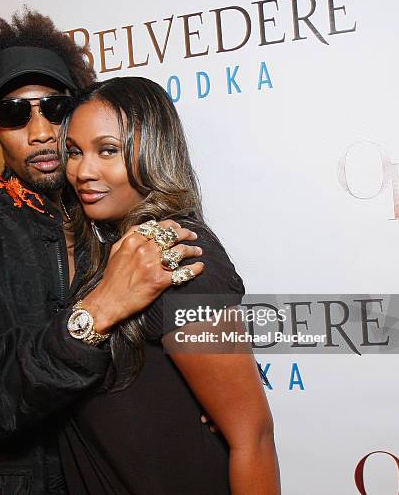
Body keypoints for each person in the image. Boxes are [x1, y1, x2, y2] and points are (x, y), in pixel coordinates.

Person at [0, 13, 203, 494]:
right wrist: (96, 311)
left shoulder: (118, 222)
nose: (40, 132)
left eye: (55, 108)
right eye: (15, 113)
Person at [58, 76, 281, 494]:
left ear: (154, 152)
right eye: (74, 152)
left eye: (108, 150)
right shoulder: (103, 251)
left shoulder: (181, 255)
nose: (83, 171)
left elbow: (252, 437)